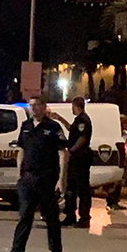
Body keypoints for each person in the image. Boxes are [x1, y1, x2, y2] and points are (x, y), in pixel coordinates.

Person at [2, 96, 68, 252]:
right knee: (25, 215)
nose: (33, 108)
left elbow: (62, 152)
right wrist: (20, 173)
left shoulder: (53, 127)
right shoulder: (26, 126)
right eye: (30, 105)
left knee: (51, 216)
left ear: (44, 107)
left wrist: (61, 179)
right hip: (28, 178)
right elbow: (21, 150)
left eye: (36, 105)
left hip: (47, 177)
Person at [51, 96, 93, 228]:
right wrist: (60, 119)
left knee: (82, 189)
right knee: (71, 188)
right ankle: (70, 216)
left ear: (76, 106)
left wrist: (72, 151)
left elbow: (82, 138)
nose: (72, 109)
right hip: (76, 159)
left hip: (80, 159)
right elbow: (72, 130)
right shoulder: (78, 120)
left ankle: (84, 218)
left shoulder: (84, 120)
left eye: (72, 107)